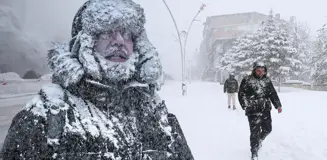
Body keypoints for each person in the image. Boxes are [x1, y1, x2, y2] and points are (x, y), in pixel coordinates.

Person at [0, 0, 194, 159]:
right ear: (84, 43)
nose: (119, 40)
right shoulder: (43, 118)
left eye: (127, 34)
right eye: (107, 31)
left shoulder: (155, 113)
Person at [238, 62, 282, 160]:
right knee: (255, 132)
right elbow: (241, 94)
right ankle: (254, 151)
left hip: (265, 109)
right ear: (254, 70)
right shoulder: (247, 80)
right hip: (253, 110)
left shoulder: (267, 80)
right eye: (258, 70)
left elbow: (272, 93)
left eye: (263, 70)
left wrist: (277, 105)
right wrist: (245, 105)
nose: (261, 72)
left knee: (268, 129)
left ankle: (259, 140)